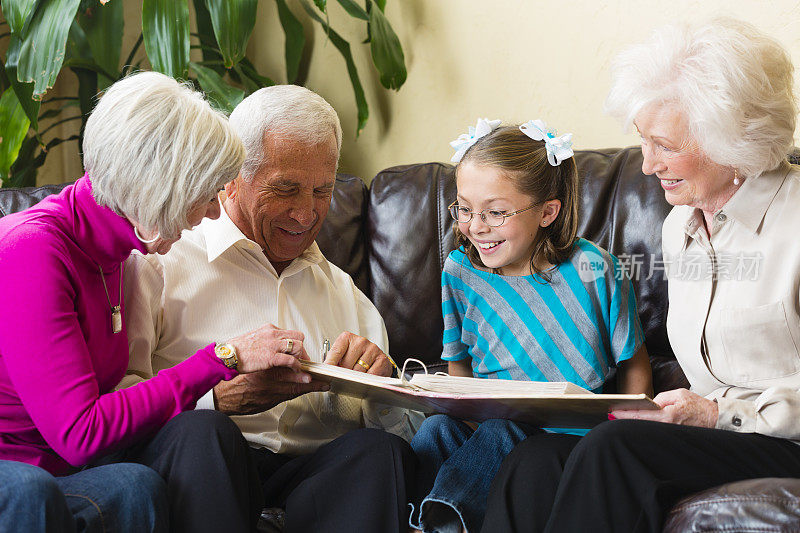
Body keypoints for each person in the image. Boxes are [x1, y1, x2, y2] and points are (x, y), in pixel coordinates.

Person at [482, 18, 800, 533]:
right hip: (716, 436)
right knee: (536, 460)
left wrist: (719, 416)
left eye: (665, 145)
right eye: (642, 142)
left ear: (732, 138)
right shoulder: (680, 228)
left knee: (616, 450)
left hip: (785, 442)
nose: (648, 166)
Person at [0, 71, 316, 533]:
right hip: (23, 471)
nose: (214, 211)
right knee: (84, 489)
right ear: (160, 186)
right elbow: (80, 434)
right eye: (208, 193)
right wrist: (223, 357)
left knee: (142, 479)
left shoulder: (118, 255)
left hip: (68, 470)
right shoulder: (32, 251)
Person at [122, 84, 421, 533]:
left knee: (380, 452)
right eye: (286, 189)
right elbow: (117, 398)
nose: (305, 214)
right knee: (204, 433)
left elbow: (406, 432)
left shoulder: (342, 292)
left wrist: (377, 393)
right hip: (204, 460)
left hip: (308, 472)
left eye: (322, 191)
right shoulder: (161, 260)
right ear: (232, 177)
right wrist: (217, 400)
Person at [409, 119, 653, 533]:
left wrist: (629, 433)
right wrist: (459, 409)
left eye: (496, 212)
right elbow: (458, 364)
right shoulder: (460, 271)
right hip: (487, 429)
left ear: (547, 212)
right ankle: (421, 519)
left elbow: (634, 363)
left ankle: (441, 524)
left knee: (503, 430)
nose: (476, 226)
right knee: (435, 431)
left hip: (567, 441)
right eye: (464, 209)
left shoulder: (596, 269)